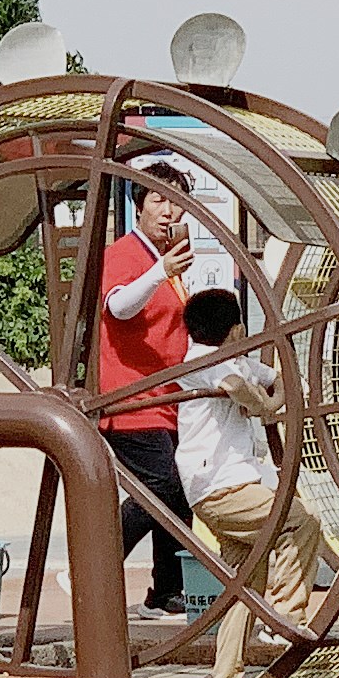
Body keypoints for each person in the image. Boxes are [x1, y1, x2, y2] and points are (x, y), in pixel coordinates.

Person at [173, 285, 329, 678]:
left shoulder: (235, 358)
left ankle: (226, 676)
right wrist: (266, 408)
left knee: (246, 578)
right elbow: (235, 389)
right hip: (220, 487)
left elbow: (280, 377)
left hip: (231, 484)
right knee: (302, 520)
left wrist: (271, 394)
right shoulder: (202, 360)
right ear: (237, 328)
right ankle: (284, 617)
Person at [95, 178, 199, 614]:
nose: (169, 210)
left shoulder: (166, 263)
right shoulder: (124, 255)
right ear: (138, 206)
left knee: (179, 493)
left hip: (167, 399)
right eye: (158, 199)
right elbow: (118, 307)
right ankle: (95, 564)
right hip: (130, 400)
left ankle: (166, 591)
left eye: (177, 202)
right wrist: (160, 273)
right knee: (161, 485)